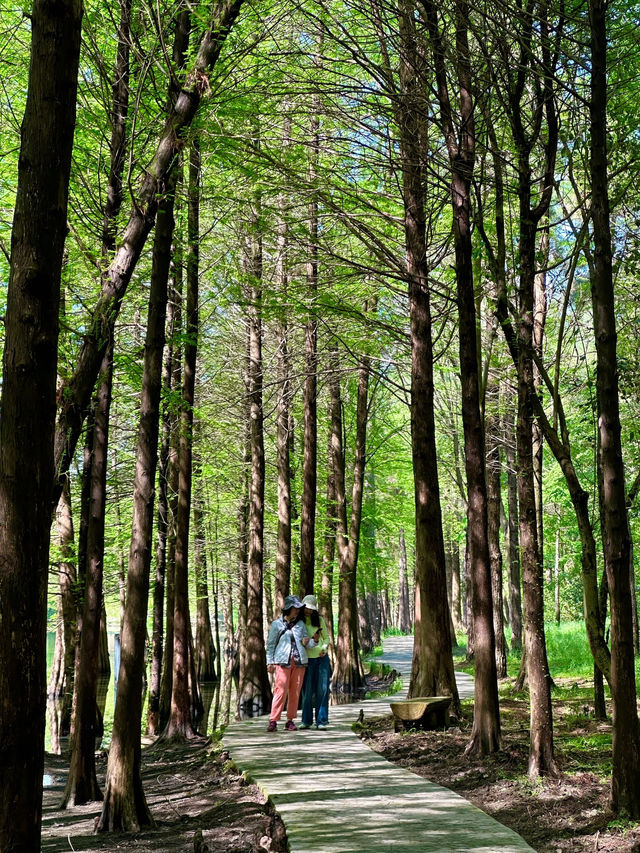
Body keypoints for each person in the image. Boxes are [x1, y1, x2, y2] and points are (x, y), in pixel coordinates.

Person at [265, 594, 321, 732]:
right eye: (295, 608)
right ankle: (273, 720)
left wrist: (314, 640)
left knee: (295, 692)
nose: (297, 610)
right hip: (282, 662)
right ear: (289, 608)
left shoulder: (300, 624)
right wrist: (270, 662)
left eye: (298, 608)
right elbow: (271, 645)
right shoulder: (276, 624)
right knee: (280, 690)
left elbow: (306, 644)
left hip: (299, 662)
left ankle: (290, 720)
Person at [300, 594, 331, 730]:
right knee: (307, 692)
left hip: (322, 659)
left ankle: (322, 721)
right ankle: (306, 721)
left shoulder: (319, 620)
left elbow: (327, 638)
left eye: (311, 609)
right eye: (306, 608)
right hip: (307, 660)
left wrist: (323, 648)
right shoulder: (299, 622)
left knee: (322, 690)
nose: (308, 611)